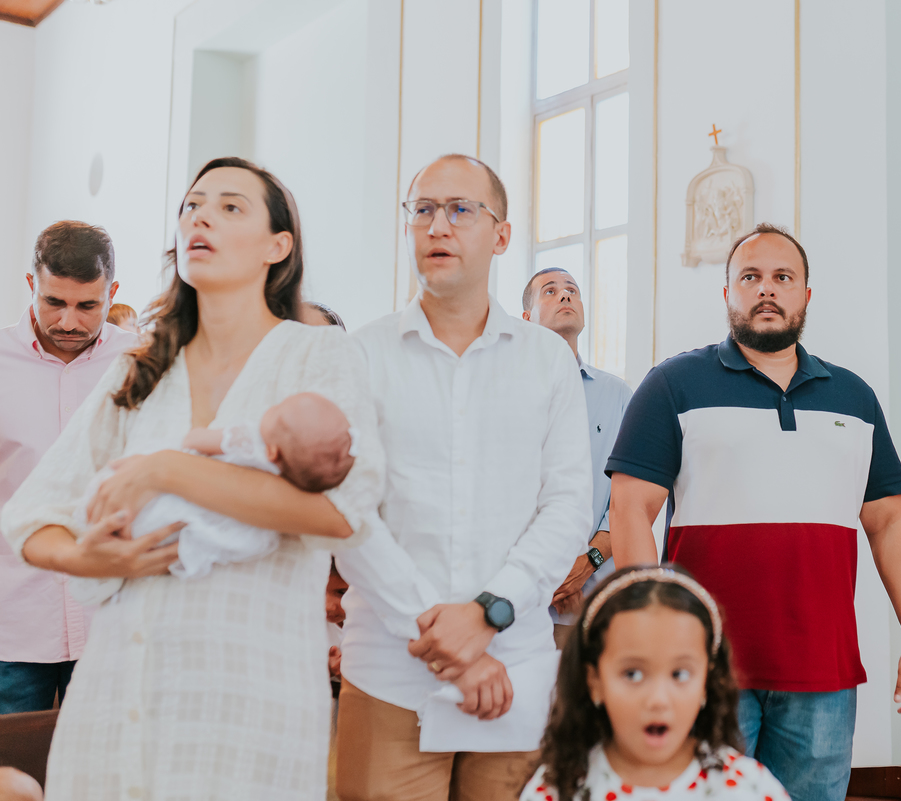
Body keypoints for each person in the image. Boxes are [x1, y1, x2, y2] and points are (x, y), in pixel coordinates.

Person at [0, 156, 384, 801]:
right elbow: (30, 515)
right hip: (120, 688)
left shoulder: (317, 354)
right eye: (191, 205)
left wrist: (169, 468)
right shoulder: (143, 366)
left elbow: (346, 512)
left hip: (250, 694)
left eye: (230, 205)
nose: (200, 215)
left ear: (277, 245)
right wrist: (87, 556)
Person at [606, 223, 901, 801]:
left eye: (783, 277)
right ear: (727, 293)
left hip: (823, 673)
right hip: (703, 668)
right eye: (750, 277)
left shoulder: (853, 398)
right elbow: (631, 509)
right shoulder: (672, 385)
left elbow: (889, 522)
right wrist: (649, 636)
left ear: (806, 294)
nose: (767, 289)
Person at [333, 154, 592, 801]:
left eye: (459, 210)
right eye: (422, 210)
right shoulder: (361, 354)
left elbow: (566, 504)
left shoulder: (545, 361)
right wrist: (440, 630)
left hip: (516, 666)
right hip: (391, 670)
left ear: (501, 235)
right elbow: (348, 511)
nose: (437, 226)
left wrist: (488, 613)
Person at [0, 220, 139, 714]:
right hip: (13, 624)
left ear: (113, 293)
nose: (69, 322)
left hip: (112, 621)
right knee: (12, 776)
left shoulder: (140, 364)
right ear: (31, 285)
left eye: (88, 306)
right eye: (54, 302)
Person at [522, 566, 790, 800]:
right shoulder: (557, 789)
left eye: (680, 674)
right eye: (632, 675)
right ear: (594, 681)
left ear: (707, 683)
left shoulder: (750, 790)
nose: (658, 699)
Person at [68, 391, 359, 605]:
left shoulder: (251, 440)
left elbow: (195, 439)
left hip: (155, 499)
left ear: (272, 452)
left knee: (118, 490)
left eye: (278, 411)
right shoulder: (284, 490)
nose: (271, 409)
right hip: (206, 529)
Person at [521, 267, 633, 648]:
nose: (565, 295)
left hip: (596, 596)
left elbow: (626, 496)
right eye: (549, 291)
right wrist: (550, 571)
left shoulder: (617, 395)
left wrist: (587, 563)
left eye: (572, 290)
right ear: (526, 318)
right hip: (525, 597)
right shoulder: (507, 393)